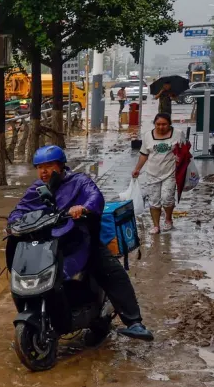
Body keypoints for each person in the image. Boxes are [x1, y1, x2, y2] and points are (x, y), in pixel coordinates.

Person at [9, 145, 153, 341]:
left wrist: (83, 208)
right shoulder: (36, 189)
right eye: (40, 167)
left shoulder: (79, 181)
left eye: (49, 166)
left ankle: (134, 322)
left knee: (111, 271)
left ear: (60, 166)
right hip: (51, 244)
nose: (43, 171)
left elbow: (95, 197)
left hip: (80, 240)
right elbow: (20, 210)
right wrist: (13, 223)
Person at [133, 113, 178, 232]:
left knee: (167, 198)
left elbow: (185, 150)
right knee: (153, 201)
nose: (161, 127)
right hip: (152, 173)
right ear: (154, 124)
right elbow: (144, 154)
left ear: (169, 124)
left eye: (164, 124)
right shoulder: (148, 136)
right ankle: (156, 225)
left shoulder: (178, 134)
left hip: (170, 173)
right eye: (158, 124)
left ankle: (168, 219)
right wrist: (137, 169)